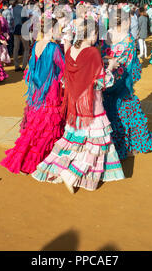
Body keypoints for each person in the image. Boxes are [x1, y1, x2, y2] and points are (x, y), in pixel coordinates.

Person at [32, 18, 124, 193]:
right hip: (91, 103)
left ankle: (61, 169)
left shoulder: (70, 51)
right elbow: (100, 82)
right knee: (97, 142)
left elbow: (69, 78)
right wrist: (110, 66)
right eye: (96, 33)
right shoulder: (93, 52)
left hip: (75, 103)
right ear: (92, 33)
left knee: (76, 140)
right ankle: (73, 173)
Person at [0, 13, 65, 175]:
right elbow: (64, 69)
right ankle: (41, 159)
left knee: (35, 126)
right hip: (51, 92)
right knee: (48, 126)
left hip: (37, 91)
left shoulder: (36, 45)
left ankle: (24, 157)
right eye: (59, 29)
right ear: (53, 29)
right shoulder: (54, 48)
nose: (61, 32)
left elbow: (32, 68)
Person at [101, 10, 152, 159]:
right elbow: (132, 66)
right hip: (122, 83)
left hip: (104, 80)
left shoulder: (104, 36)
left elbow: (100, 56)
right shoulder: (129, 40)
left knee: (106, 113)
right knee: (127, 113)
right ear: (124, 22)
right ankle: (128, 147)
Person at [12, 0, 30, 72]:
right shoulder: (23, 9)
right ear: (23, 1)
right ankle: (23, 66)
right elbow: (25, 20)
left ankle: (16, 66)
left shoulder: (14, 8)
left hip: (16, 30)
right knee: (26, 48)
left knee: (16, 48)